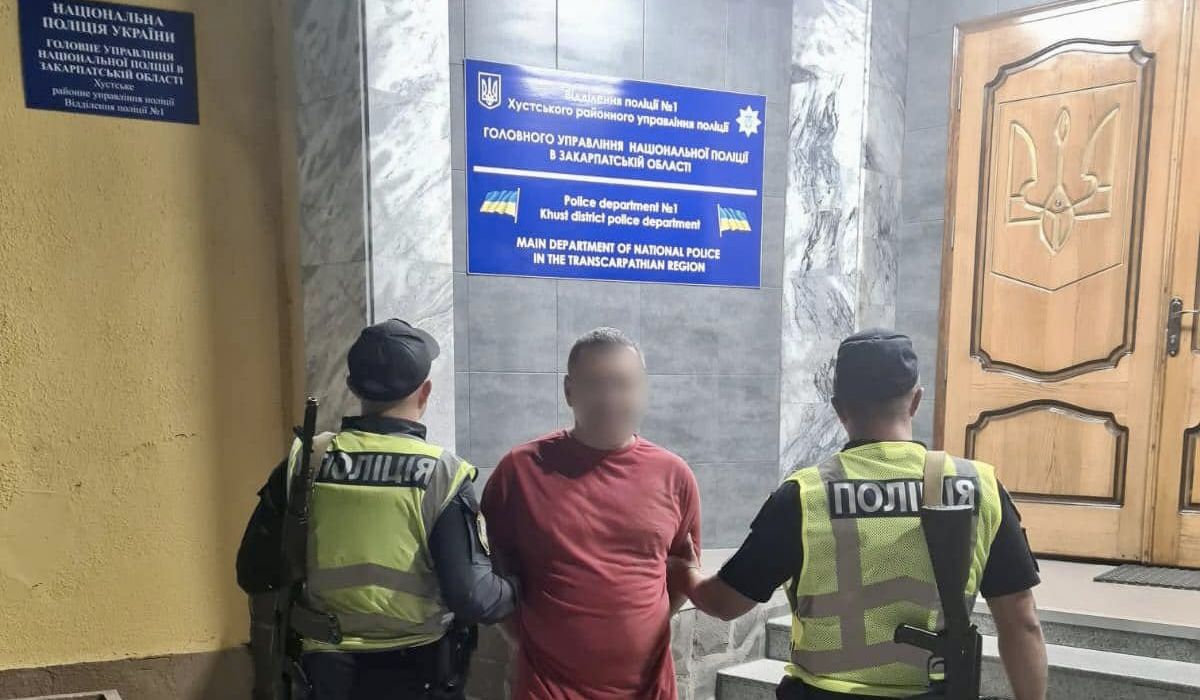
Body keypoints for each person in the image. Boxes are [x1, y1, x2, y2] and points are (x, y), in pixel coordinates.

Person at [670, 329, 1048, 700]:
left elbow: (725, 603)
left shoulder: (805, 495)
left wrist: (684, 572)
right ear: (916, 400)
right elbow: (1022, 622)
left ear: (839, 409)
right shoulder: (978, 486)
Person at [237, 318, 518, 700]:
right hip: (418, 675)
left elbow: (254, 571)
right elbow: (474, 597)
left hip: (323, 675)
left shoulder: (308, 462)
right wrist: (518, 588)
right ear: (425, 391)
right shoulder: (441, 474)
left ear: (352, 386)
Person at [479, 327, 701, 700]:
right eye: (596, 384)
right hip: (547, 688)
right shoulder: (519, 471)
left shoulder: (674, 475)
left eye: (623, 385)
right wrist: (530, 639)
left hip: (648, 688)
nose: (610, 399)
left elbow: (682, 573)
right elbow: (491, 571)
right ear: (569, 391)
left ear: (643, 390)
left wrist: (642, 628)